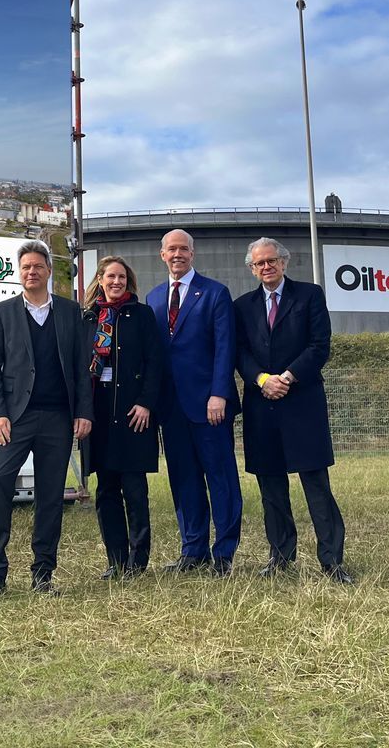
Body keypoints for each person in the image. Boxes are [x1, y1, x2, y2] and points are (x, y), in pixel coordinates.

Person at [233, 237, 352, 584]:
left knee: (316, 485)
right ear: (252, 269)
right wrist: (261, 379)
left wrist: (286, 377)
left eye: (271, 260)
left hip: (302, 403)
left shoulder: (309, 295)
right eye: (259, 263)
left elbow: (319, 345)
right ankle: (280, 556)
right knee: (271, 488)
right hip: (261, 405)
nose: (266, 267)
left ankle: (332, 561)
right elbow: (239, 351)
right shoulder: (242, 306)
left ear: (284, 262)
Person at [0, 240, 92, 596]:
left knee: (50, 495)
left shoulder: (70, 312)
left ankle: (43, 573)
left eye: (38, 266)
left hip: (57, 418)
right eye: (26, 267)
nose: (32, 272)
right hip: (14, 419)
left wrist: (83, 411)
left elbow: (80, 366)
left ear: (48, 271)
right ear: (19, 272)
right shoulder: (3, 313)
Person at [147, 229, 242, 576]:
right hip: (171, 408)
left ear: (192, 253)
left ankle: (224, 553)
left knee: (220, 478)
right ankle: (193, 550)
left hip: (209, 406)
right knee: (183, 479)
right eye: (171, 249)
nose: (177, 254)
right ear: (162, 255)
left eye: (183, 249)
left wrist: (219, 393)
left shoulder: (215, 293)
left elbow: (225, 347)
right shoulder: (154, 297)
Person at [80, 256, 165, 578]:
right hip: (99, 415)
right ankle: (115, 561)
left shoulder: (141, 314)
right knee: (106, 491)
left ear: (128, 281)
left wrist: (146, 403)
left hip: (133, 414)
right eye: (110, 276)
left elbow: (155, 362)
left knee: (135, 490)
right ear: (100, 279)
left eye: (121, 277)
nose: (116, 282)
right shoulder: (88, 317)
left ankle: (137, 561)